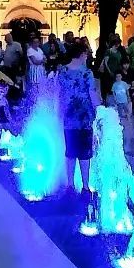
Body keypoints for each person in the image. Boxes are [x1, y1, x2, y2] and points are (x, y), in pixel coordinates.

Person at [58, 42, 98, 194]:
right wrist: (99, 111)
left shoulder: (63, 71)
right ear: (82, 54)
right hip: (84, 118)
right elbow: (92, 94)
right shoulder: (87, 73)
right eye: (86, 54)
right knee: (85, 153)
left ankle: (70, 185)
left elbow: (60, 94)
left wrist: (59, 112)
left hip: (68, 117)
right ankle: (85, 187)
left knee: (70, 151)